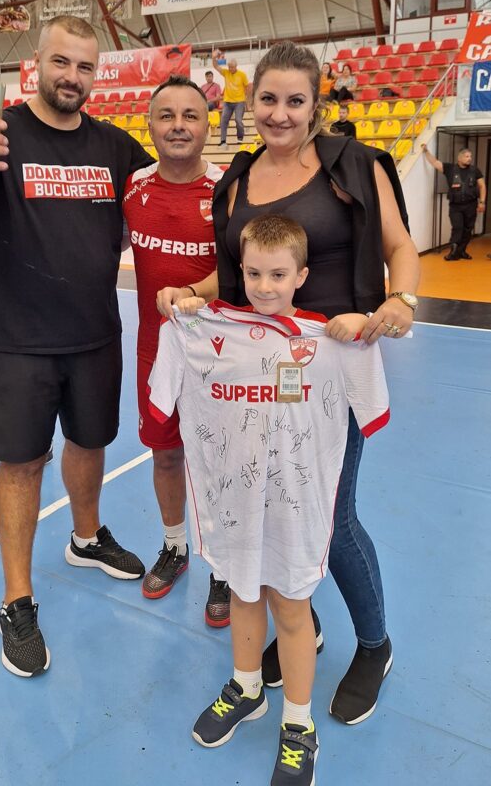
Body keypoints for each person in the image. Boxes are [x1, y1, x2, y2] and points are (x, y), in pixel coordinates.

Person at [157, 40, 420, 725]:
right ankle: (306, 623)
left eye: (294, 100)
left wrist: (399, 301)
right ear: (252, 103)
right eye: (268, 99)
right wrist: (190, 293)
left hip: (332, 368)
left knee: (330, 517)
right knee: (272, 506)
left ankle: (375, 644)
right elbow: (234, 271)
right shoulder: (238, 180)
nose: (280, 113)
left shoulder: (354, 165)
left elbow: (399, 247)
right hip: (255, 375)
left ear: (315, 104)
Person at [0, 15, 153, 677]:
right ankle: (17, 600)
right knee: (22, 464)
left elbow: (169, 193)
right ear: (37, 63)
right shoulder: (2, 135)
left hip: (95, 333)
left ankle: (85, 538)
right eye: (62, 62)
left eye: (85, 66)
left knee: (90, 443)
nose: (72, 77)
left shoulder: (113, 145)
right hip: (23, 339)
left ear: (96, 74)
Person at [149, 215, 390, 785]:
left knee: (291, 607)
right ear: (239, 270)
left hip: (296, 508)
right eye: (253, 273)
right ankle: (248, 686)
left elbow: (373, 409)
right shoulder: (197, 330)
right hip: (233, 502)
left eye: (278, 275)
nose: (263, 286)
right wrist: (184, 308)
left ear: (301, 276)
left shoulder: (332, 342)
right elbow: (162, 400)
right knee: (242, 592)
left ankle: (299, 726)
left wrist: (364, 330)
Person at [122, 74, 230, 624]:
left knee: (219, 462)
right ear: (150, 125)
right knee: (165, 455)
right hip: (155, 352)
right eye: (167, 115)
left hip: (220, 356)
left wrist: (192, 292)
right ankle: (175, 546)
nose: (179, 126)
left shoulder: (228, 189)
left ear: (208, 124)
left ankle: (224, 565)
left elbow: (243, 268)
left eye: (191, 115)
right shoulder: (133, 188)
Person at [421, 144, 486, 260]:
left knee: (468, 229)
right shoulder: (450, 168)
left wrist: (482, 202)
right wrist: (426, 151)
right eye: (467, 156)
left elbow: (482, 186)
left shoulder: (475, 170)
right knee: (457, 227)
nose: (469, 158)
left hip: (471, 205)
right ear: (459, 158)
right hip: (456, 206)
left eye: (470, 156)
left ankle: (461, 251)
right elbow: (435, 162)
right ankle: (453, 252)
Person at [212, 50, 250, 148]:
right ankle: (223, 140)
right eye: (229, 67)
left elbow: (247, 87)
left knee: (238, 120)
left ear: (236, 66)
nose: (230, 69)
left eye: (232, 67)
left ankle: (240, 137)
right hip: (228, 102)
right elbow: (216, 66)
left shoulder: (242, 75)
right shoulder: (226, 73)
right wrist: (214, 58)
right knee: (223, 121)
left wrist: (247, 102)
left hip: (239, 102)